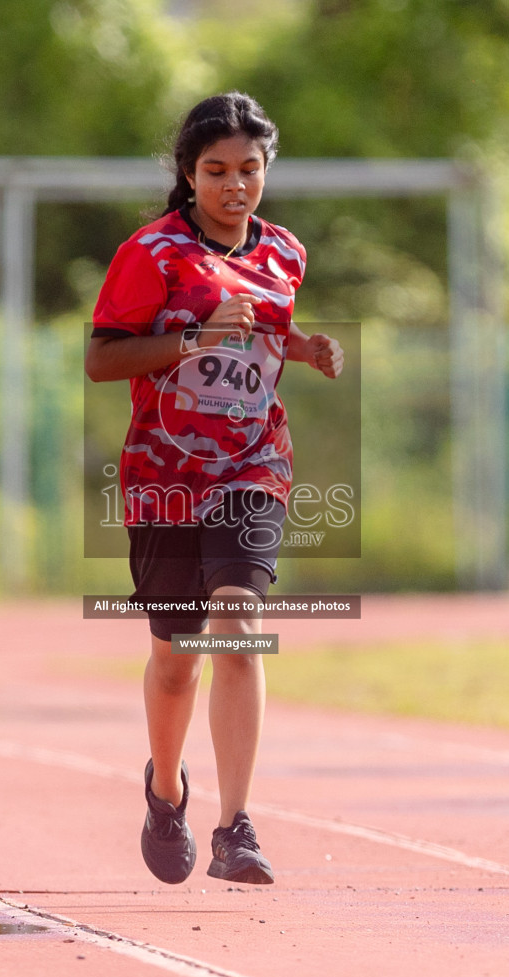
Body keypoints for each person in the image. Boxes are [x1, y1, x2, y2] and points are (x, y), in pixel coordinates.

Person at [85, 91, 343, 885]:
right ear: (189, 175)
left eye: (249, 169)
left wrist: (301, 349)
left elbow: (263, 336)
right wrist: (193, 337)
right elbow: (101, 360)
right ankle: (167, 791)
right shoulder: (151, 254)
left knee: (235, 624)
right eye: (216, 171)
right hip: (165, 476)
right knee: (175, 657)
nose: (235, 185)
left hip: (251, 464)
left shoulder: (285, 254)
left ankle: (236, 826)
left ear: (267, 169)